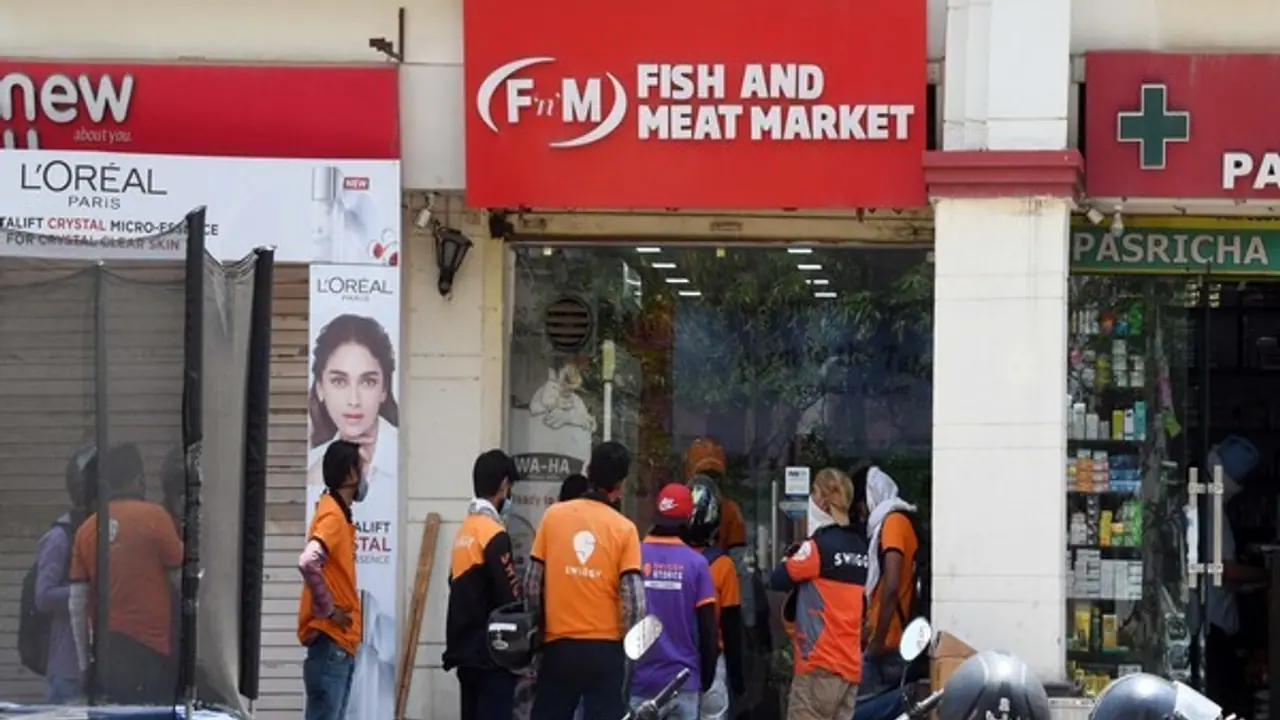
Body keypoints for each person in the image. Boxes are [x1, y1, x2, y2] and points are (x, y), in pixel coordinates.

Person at [526, 441, 646, 720]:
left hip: (559, 647)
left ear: (589, 472)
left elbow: (532, 585)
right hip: (605, 650)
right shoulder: (625, 529)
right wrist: (629, 649)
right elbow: (635, 602)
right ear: (620, 485)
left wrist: (538, 632)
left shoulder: (553, 517)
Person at [68, 444, 184, 705]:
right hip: (153, 653)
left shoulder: (87, 529)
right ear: (139, 479)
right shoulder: (156, 518)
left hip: (107, 654)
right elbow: (182, 583)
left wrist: (85, 665)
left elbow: (76, 604)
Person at [770, 468, 867, 720]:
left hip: (818, 668)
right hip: (850, 671)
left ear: (823, 502)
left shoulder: (816, 548)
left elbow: (777, 578)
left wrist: (791, 555)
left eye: (813, 493)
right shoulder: (860, 548)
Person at [444, 449, 523, 720]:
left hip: (464, 653)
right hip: (492, 655)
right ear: (503, 485)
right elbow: (509, 597)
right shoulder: (493, 534)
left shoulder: (465, 530)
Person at [631, 483, 719, 719]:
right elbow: (708, 628)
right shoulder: (697, 564)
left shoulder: (633, 556)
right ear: (688, 519)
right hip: (683, 682)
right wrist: (706, 677)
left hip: (639, 682)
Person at [297, 440, 366, 720]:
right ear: (349, 473)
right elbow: (308, 561)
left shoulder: (337, 514)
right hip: (331, 644)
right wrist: (329, 610)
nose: (364, 476)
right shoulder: (333, 517)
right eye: (361, 467)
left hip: (336, 646)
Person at [1199, 435, 1265, 718]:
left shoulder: (1204, 505)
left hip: (1210, 618)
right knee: (1224, 698)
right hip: (1215, 625)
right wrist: (1268, 574)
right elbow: (1226, 570)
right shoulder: (1215, 513)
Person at [32, 445, 98, 703]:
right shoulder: (60, 537)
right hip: (69, 671)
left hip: (100, 667)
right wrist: (86, 592)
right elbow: (44, 596)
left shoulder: (104, 532)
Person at [306, 314, 400, 493]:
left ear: (384, 389)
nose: (354, 401)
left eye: (368, 382)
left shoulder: (406, 455)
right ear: (320, 388)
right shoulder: (313, 466)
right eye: (339, 381)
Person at [854, 465, 920, 693]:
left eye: (860, 505)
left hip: (889, 645)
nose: (861, 514)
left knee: (861, 706)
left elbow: (891, 585)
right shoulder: (895, 521)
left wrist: (877, 642)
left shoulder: (893, 522)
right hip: (888, 641)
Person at [685, 475, 746, 719]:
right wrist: (738, 678)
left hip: (674, 659)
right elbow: (731, 626)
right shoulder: (723, 565)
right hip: (713, 662)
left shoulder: (669, 559)